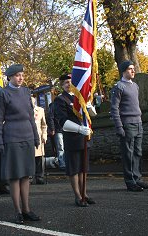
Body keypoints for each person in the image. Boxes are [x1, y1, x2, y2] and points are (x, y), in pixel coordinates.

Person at [0, 64, 40, 224]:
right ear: (10, 77)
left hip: (27, 135)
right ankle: (18, 211)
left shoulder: (27, 92)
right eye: (17, 75)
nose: (21, 78)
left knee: (26, 175)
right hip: (11, 138)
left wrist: (36, 136)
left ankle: (27, 209)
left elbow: (30, 116)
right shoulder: (3, 94)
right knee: (15, 176)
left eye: (22, 75)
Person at [110, 60, 148, 192]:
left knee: (138, 153)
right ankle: (130, 181)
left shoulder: (135, 86)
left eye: (133, 68)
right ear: (124, 71)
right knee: (128, 154)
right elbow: (114, 109)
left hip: (138, 122)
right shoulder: (118, 87)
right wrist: (119, 127)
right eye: (130, 69)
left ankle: (138, 179)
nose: (133, 71)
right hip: (127, 124)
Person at [54, 74, 95, 205]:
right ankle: (78, 196)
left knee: (84, 168)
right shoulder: (60, 100)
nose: (68, 84)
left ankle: (84, 193)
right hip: (72, 137)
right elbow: (62, 121)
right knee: (74, 169)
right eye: (65, 82)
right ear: (62, 85)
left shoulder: (80, 97)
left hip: (85, 137)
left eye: (70, 82)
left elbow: (92, 115)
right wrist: (78, 129)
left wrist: (89, 105)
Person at [32, 97, 47, 185]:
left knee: (40, 159)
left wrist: (44, 136)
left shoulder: (40, 110)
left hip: (39, 137)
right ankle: (30, 176)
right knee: (29, 158)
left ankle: (39, 176)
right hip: (28, 137)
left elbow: (44, 125)